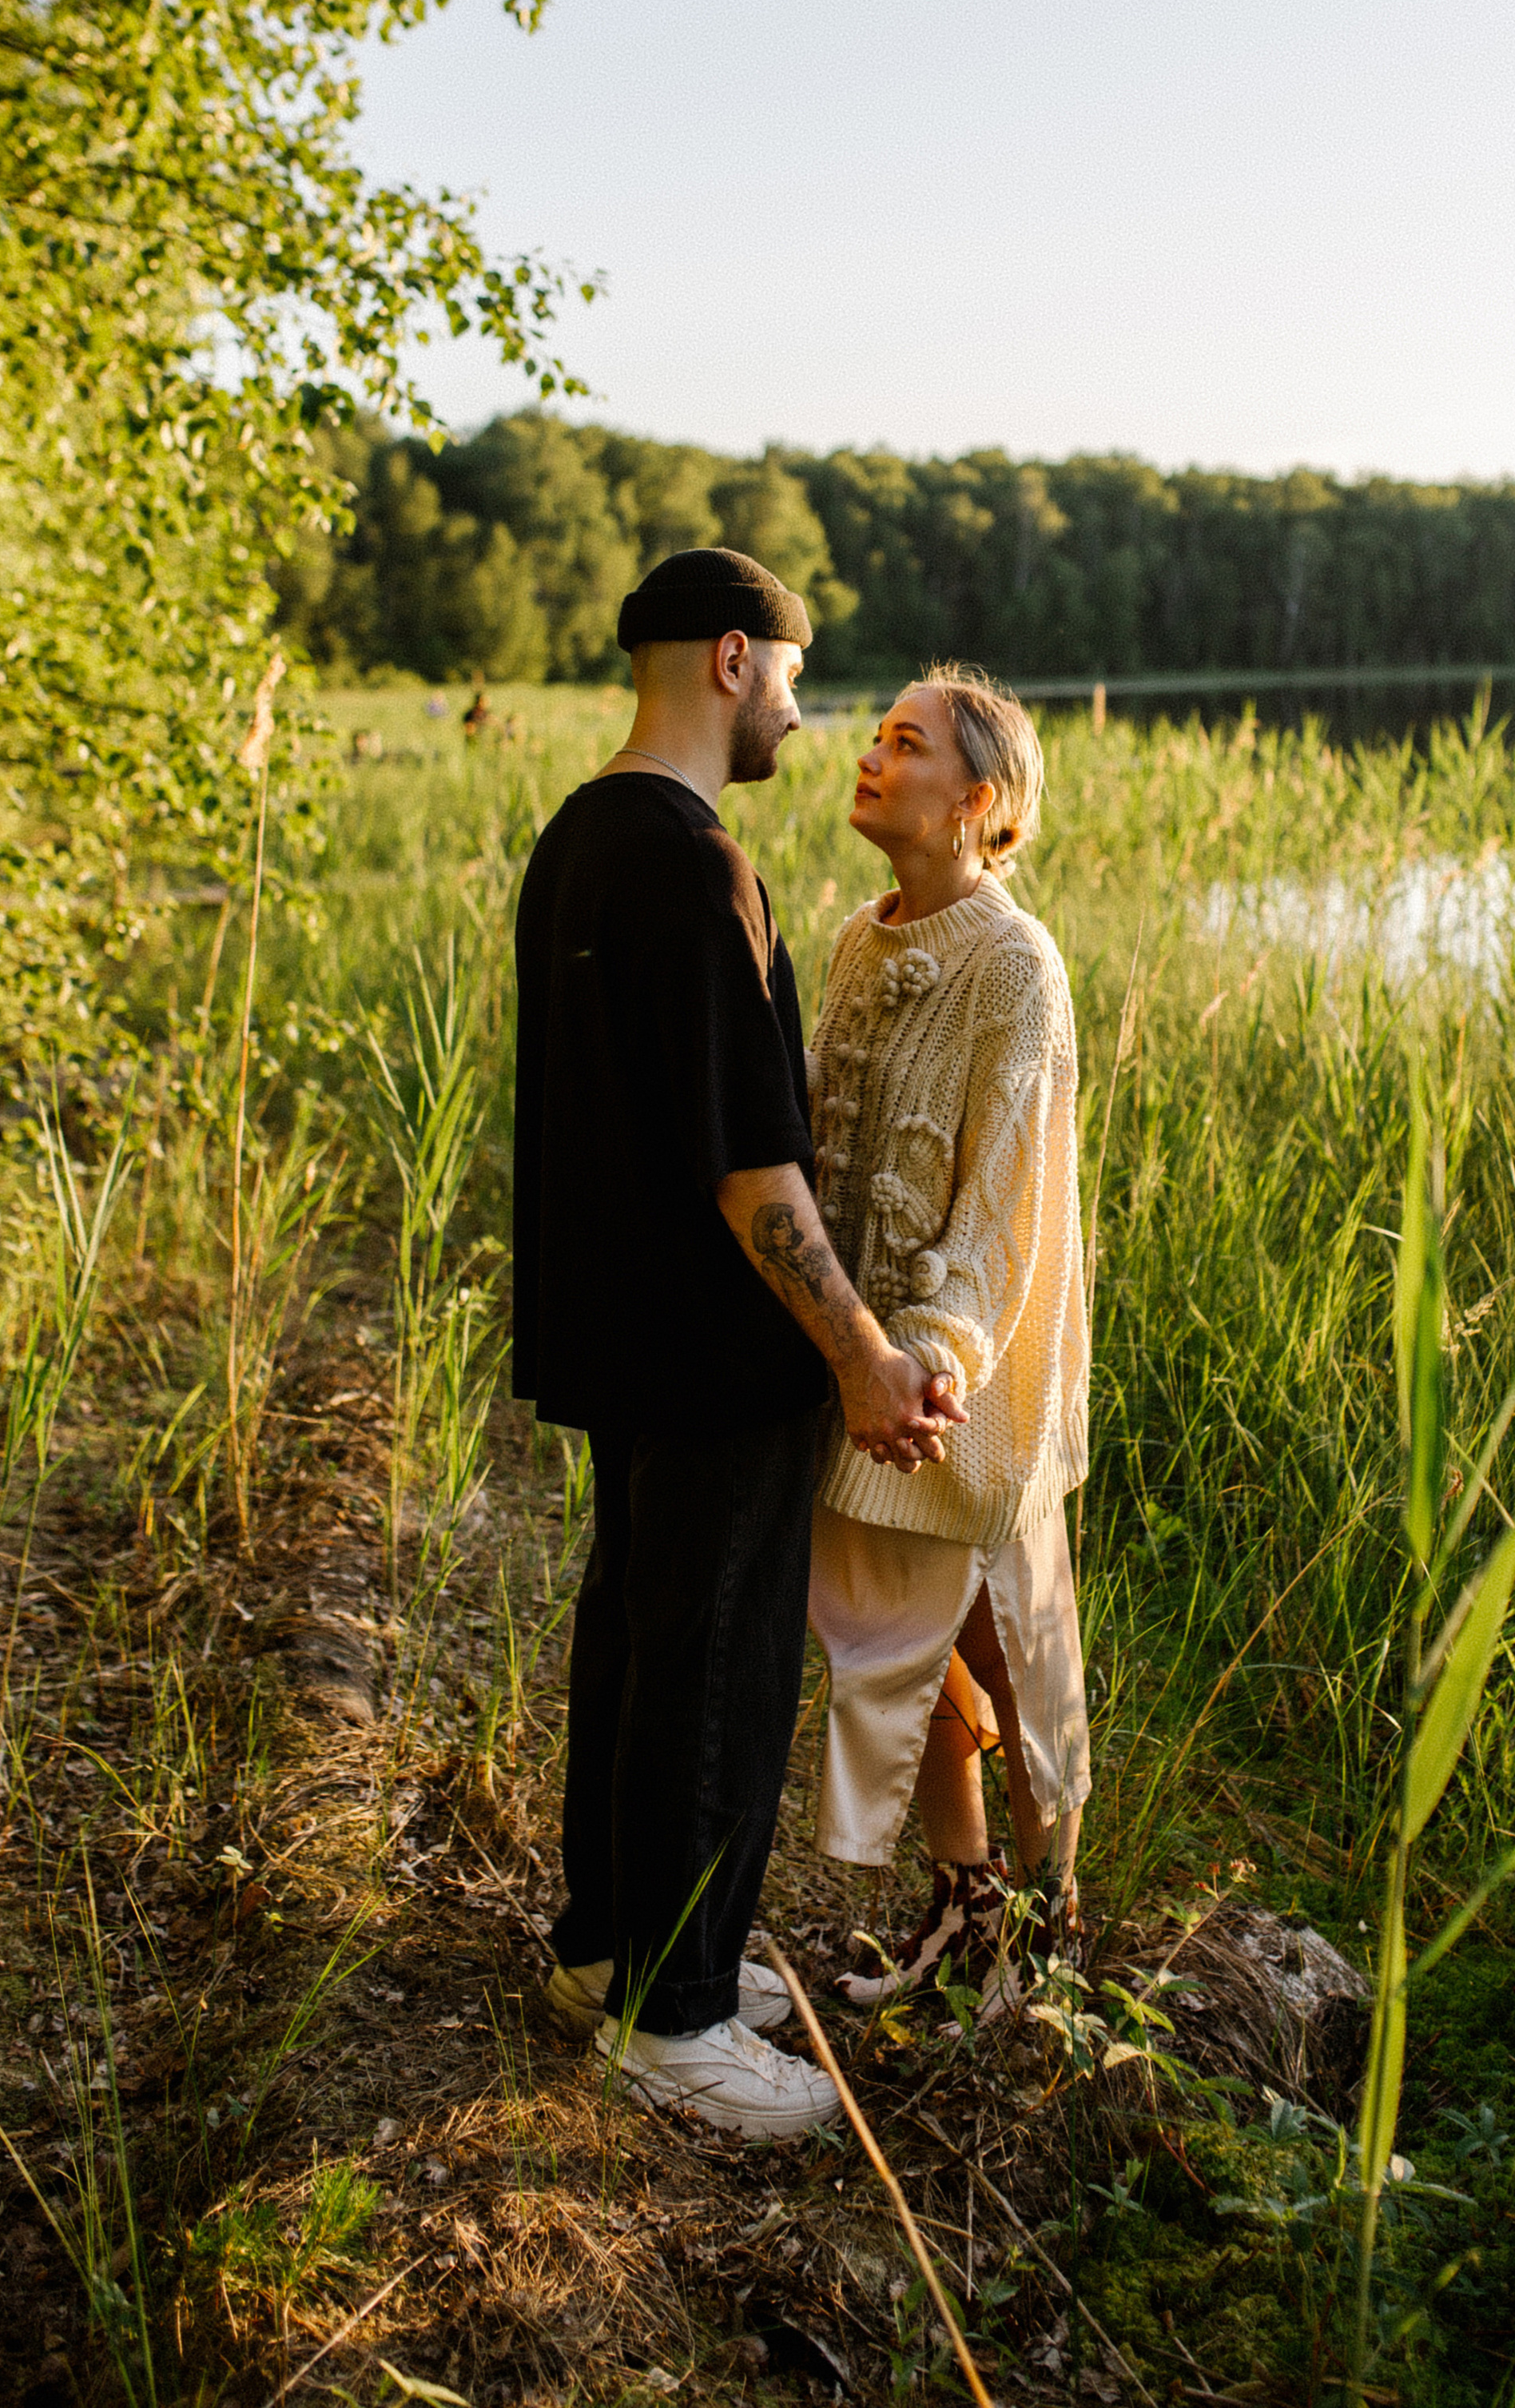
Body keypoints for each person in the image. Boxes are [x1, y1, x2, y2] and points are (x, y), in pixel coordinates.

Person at [511, 547, 965, 2139]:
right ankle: (676, 2020)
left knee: (637, 1648)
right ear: (725, 659)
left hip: (618, 1337)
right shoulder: (697, 869)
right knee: (712, 1665)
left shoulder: (577, 841)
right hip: (711, 1354)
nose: (798, 702)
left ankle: (609, 1953)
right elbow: (749, 1169)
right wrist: (855, 1351)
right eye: (788, 668)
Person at [805, 666, 1090, 2002]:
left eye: (905, 744)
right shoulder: (861, 941)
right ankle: (967, 1906)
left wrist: (930, 1361)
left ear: (976, 800)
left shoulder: (1017, 967)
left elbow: (1004, 1207)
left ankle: (1052, 1937)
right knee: (893, 1635)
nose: (871, 755)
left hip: (960, 1373)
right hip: (861, 1362)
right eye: (873, 734)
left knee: (1002, 1642)